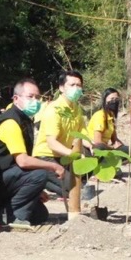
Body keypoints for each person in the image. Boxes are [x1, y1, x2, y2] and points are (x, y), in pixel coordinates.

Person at [0, 79, 62, 227]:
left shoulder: (24, 119)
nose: (35, 101)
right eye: (30, 97)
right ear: (16, 98)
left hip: (9, 177)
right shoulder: (10, 121)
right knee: (40, 174)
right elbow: (23, 161)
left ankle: (7, 210)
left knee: (40, 215)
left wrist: (35, 191)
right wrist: (54, 167)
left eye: (38, 98)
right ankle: (11, 215)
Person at [33, 70, 86, 198]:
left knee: (80, 186)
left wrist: (92, 146)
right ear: (61, 88)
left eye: (79, 85)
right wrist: (74, 154)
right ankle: (42, 178)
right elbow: (52, 143)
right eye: (72, 85)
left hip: (64, 156)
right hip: (46, 157)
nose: (76, 88)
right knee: (75, 190)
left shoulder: (76, 109)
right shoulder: (54, 109)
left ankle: (51, 181)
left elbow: (82, 133)